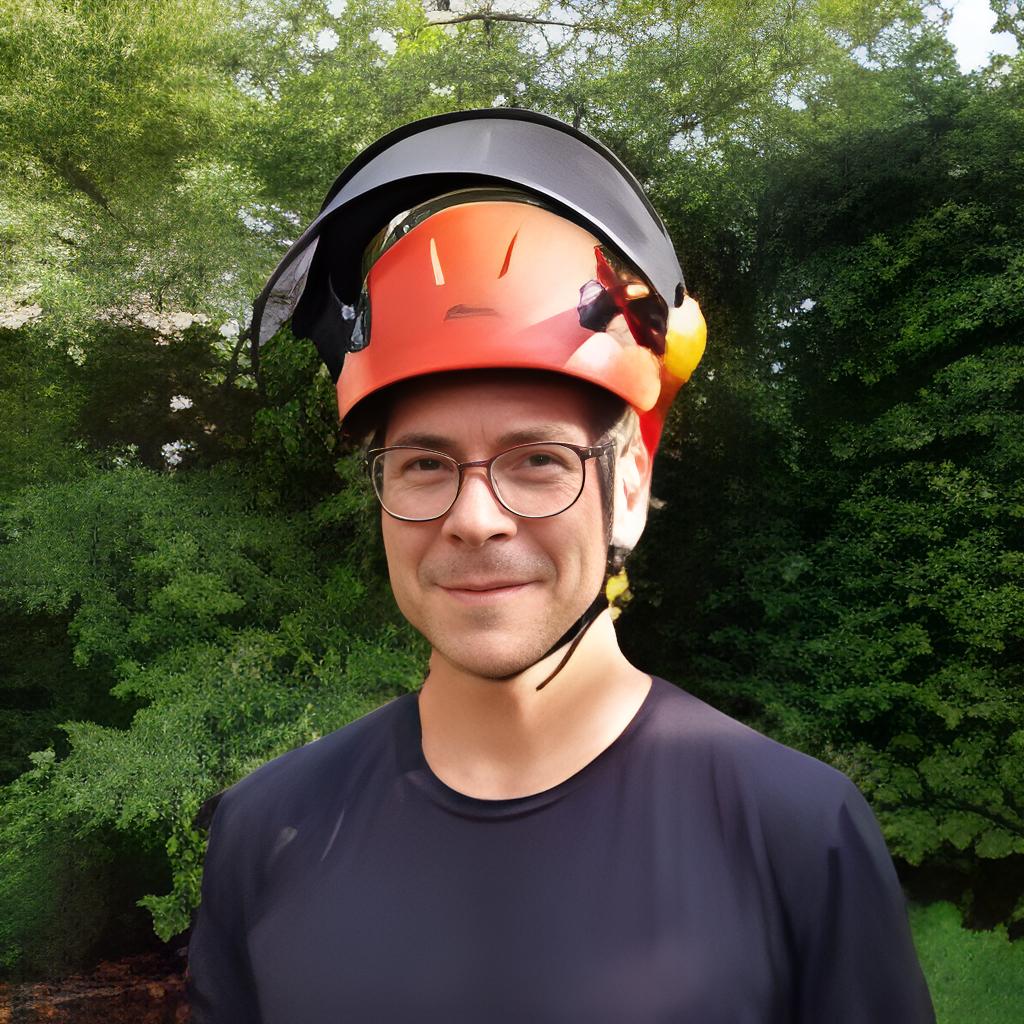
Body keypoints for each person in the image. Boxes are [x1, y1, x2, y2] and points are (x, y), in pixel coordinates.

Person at [187, 109, 935, 1022]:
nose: (473, 519)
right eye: (424, 464)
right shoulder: (266, 831)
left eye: (538, 460)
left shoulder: (795, 834)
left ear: (628, 488)